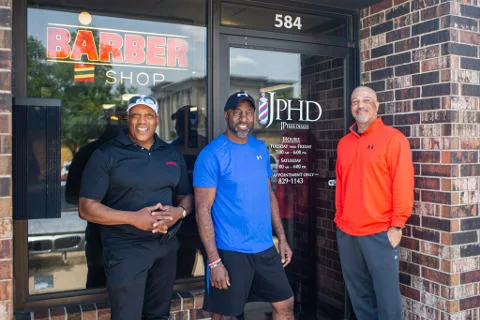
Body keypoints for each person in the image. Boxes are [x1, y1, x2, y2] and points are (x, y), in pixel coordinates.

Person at [78, 95, 193, 320]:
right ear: (127, 120)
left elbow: (186, 196)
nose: (142, 121)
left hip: (165, 247)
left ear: (157, 120)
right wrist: (133, 218)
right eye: (136, 115)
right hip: (125, 249)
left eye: (148, 115)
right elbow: (86, 208)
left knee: (158, 315)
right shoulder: (106, 154)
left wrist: (179, 213)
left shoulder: (170, 153)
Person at [194, 91, 295, 320]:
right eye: (237, 112)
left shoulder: (259, 149)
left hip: (264, 247)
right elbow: (202, 210)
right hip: (230, 250)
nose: (243, 118)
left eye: (248, 113)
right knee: (225, 314)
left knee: (285, 304)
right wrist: (214, 261)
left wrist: (282, 238)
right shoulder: (211, 155)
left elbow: (269, 194)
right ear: (226, 115)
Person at [335, 86, 414, 320]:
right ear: (351, 108)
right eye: (355, 101)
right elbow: (341, 184)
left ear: (377, 105)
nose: (360, 104)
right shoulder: (344, 143)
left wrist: (397, 225)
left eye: (366, 100)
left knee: (387, 299)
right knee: (360, 297)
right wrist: (339, 218)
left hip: (380, 232)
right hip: (347, 231)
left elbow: (403, 183)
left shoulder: (393, 139)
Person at [65, 105, 127, 288]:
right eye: (119, 121)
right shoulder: (88, 153)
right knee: (98, 291)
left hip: (136, 242)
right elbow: (71, 195)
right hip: (100, 238)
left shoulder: (143, 155)